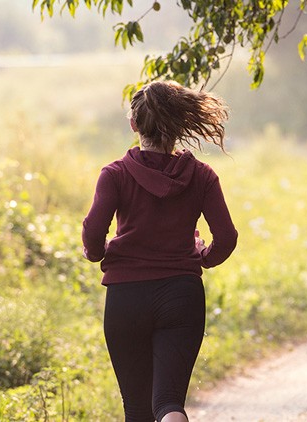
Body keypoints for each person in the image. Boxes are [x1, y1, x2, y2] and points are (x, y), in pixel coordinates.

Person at [82, 80, 238, 422]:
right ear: (180, 124)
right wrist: (202, 257)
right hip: (181, 295)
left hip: (126, 298)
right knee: (168, 403)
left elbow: (93, 236)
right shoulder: (202, 176)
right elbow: (226, 237)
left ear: (134, 124)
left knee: (137, 410)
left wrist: (99, 252)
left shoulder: (115, 174)